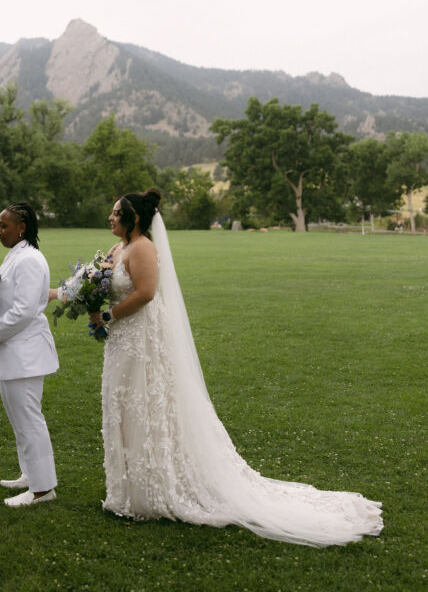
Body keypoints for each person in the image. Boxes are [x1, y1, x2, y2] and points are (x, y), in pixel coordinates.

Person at [83, 188, 383, 547]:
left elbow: (146, 293)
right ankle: (127, 485)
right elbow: (103, 280)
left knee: (144, 404)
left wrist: (107, 314)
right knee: (122, 404)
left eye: (117, 213)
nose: (111, 217)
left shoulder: (143, 247)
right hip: (120, 341)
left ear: (133, 218)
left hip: (141, 339)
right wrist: (84, 295)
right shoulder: (117, 248)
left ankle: (151, 486)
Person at [0, 203, 58, 508]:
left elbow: (23, 312)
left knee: (29, 420)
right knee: (19, 420)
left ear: (21, 228)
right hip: (13, 352)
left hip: (25, 354)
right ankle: (31, 474)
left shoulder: (30, 260)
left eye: (3, 226)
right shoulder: (16, 255)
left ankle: (42, 489)